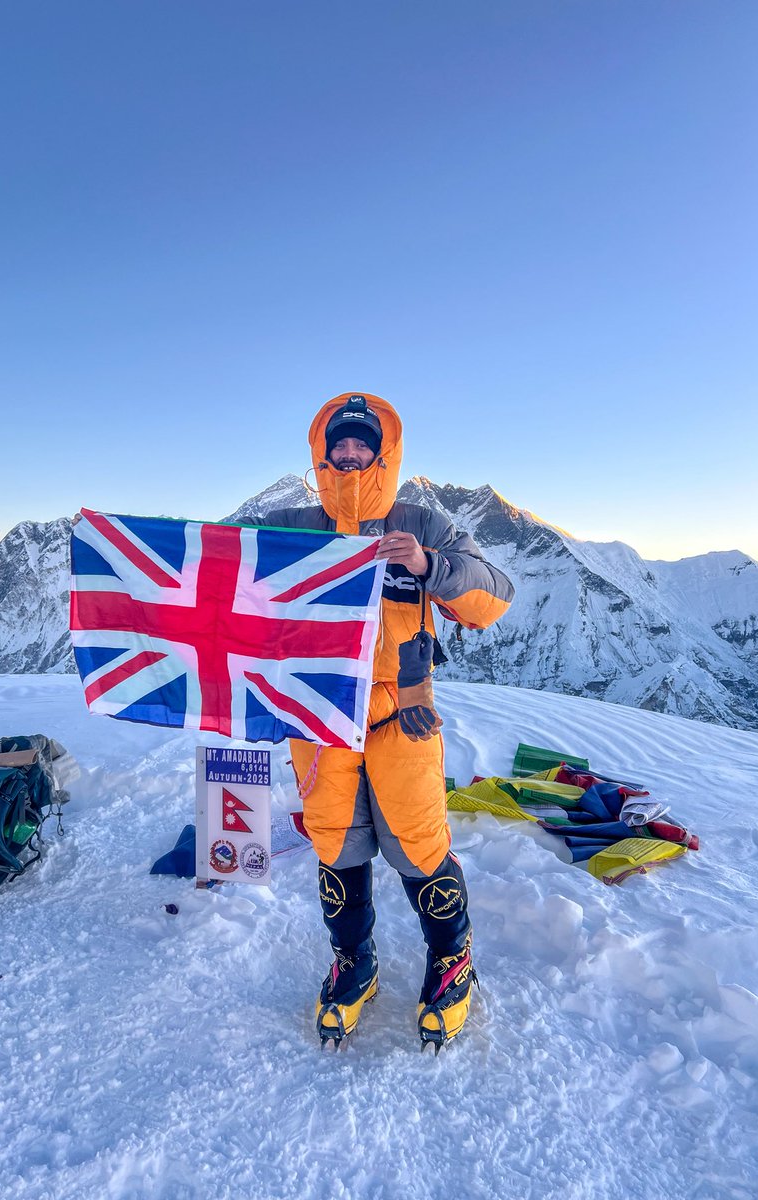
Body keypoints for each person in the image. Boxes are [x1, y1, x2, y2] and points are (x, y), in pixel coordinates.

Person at [256, 392, 515, 1050]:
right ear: (322, 451)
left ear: (382, 451)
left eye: (361, 443)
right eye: (338, 443)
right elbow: (233, 594)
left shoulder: (421, 522)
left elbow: (493, 597)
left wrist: (431, 566)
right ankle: (354, 962)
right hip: (318, 712)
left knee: (418, 842)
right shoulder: (290, 525)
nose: (349, 453)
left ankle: (452, 960)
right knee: (335, 842)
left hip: (406, 708)